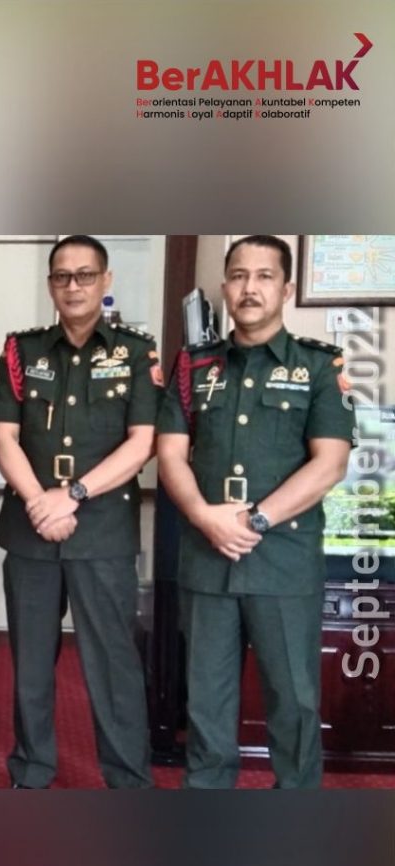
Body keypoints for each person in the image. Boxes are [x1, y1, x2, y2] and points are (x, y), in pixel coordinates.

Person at [157, 235, 354, 788]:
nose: (250, 288)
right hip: (206, 561)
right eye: (239, 276)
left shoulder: (319, 365)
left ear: (286, 290)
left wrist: (255, 520)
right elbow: (170, 455)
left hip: (283, 564)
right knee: (206, 704)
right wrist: (204, 516)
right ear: (225, 287)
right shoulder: (194, 366)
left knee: (293, 702)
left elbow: (330, 463)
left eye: (265, 276)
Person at [0, 235, 160, 789]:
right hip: (31, 530)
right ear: (50, 286)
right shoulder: (22, 351)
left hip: (102, 533)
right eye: (62, 276)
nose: (74, 286)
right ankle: (31, 772)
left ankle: (127, 780)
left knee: (113, 664)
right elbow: (3, 437)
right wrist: (41, 502)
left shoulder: (136, 353)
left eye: (86, 275)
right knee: (31, 665)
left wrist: (74, 495)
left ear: (106, 281)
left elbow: (142, 442)